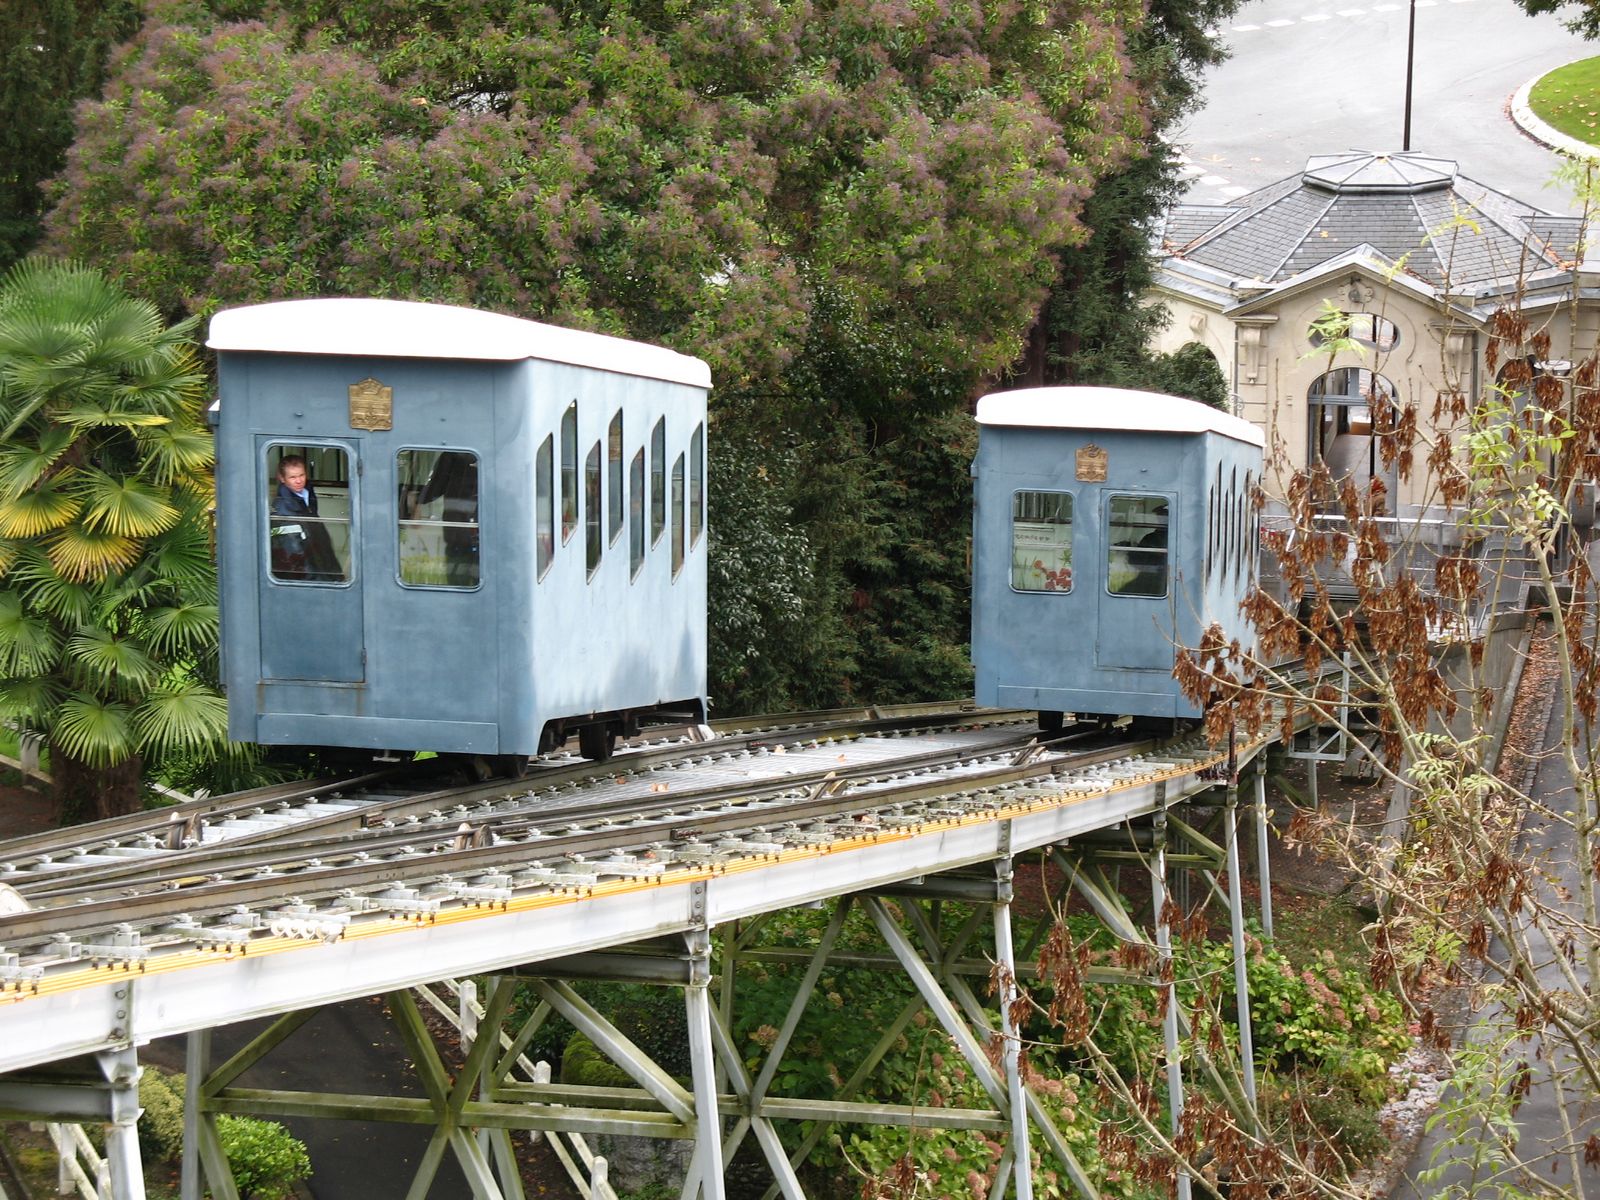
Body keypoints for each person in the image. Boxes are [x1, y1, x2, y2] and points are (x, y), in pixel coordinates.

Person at [270, 455, 343, 581]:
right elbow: (296, 560)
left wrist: (336, 576)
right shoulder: (283, 512)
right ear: (282, 478)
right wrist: (319, 583)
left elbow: (321, 546)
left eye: (301, 475)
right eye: (292, 477)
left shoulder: (307, 498)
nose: (299, 481)